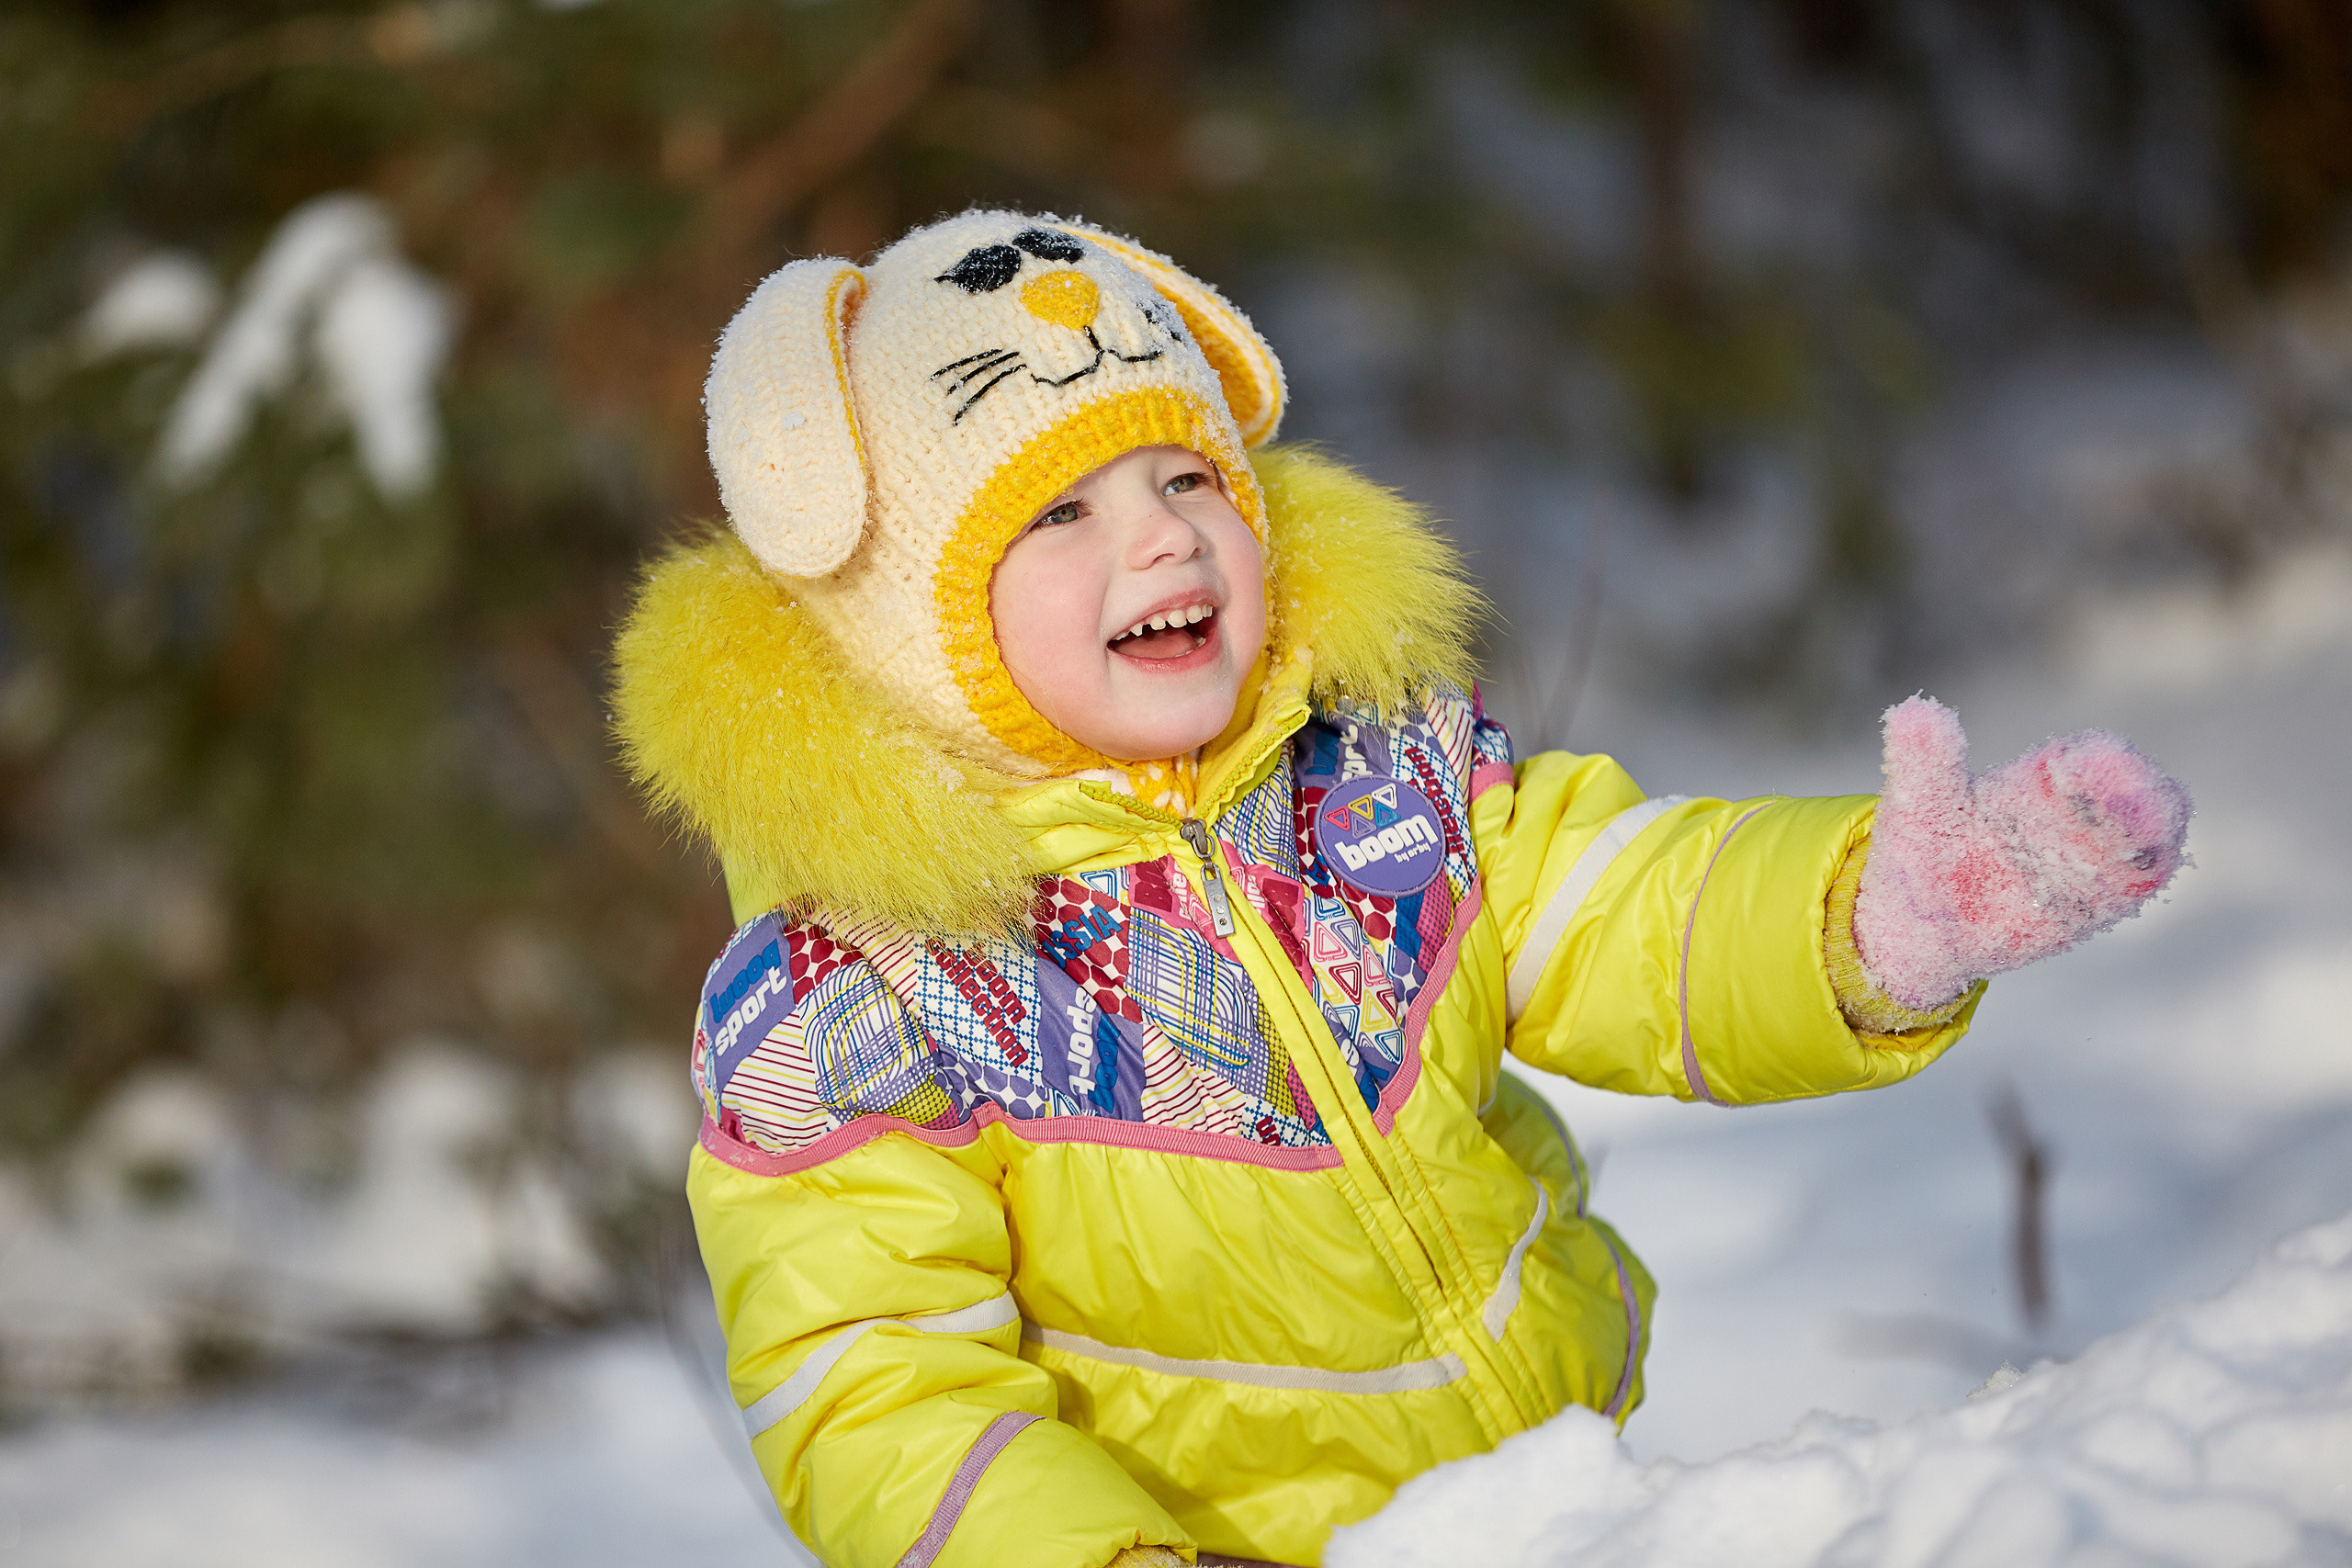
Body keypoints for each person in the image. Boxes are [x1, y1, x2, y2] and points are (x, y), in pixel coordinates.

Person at [610, 210, 2189, 1568]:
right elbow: (872, 1377)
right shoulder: (865, 986)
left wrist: (1866, 919)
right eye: (1063, 512)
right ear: (909, 625)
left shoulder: (1370, 776)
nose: (1163, 542)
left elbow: (1615, 911)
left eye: (1188, 477)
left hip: (1551, 1505)